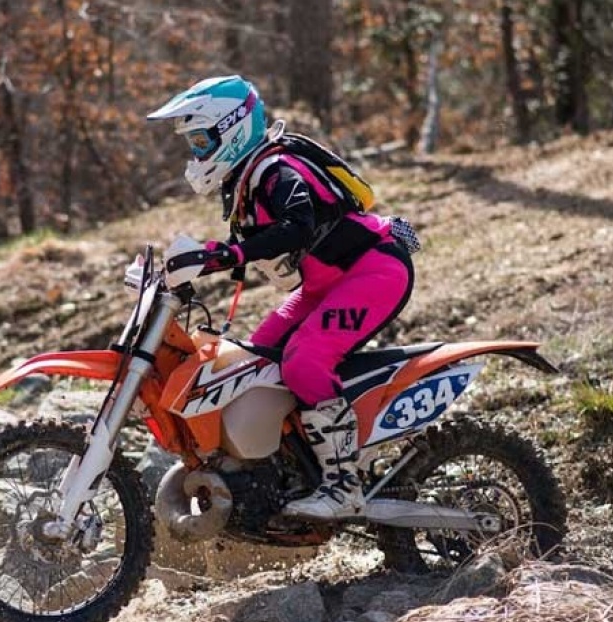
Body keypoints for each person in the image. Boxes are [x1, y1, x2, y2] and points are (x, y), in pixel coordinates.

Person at [147, 75, 415, 520]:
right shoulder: (248, 178)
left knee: (303, 360)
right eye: (191, 142)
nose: (195, 153)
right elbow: (266, 246)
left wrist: (224, 254)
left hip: (374, 270)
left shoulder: (276, 169)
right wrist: (193, 263)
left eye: (200, 140)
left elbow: (297, 227)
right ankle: (288, 471)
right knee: (254, 358)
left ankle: (343, 483)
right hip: (324, 284)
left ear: (229, 129)